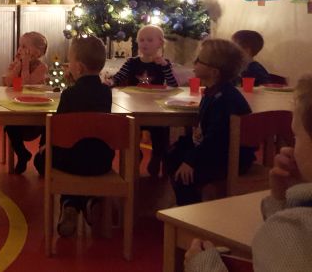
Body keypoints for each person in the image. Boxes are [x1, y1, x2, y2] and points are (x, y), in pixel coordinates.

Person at [184, 75, 312, 272]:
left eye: (296, 137)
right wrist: (281, 201)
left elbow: (292, 239)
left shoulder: (294, 232)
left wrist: (203, 266)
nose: (291, 148)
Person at [37, 36, 114, 237]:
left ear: (78, 67)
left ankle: (70, 202)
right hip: (101, 161)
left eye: (69, 61)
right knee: (85, 155)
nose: (67, 65)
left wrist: (46, 145)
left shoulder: (69, 95)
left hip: (70, 161)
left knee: (42, 159)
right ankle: (89, 199)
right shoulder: (106, 93)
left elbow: (58, 127)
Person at [165, 39, 253, 206]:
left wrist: (191, 161)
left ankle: (190, 209)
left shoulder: (225, 99)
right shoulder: (213, 91)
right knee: (174, 152)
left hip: (229, 156)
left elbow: (215, 139)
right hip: (213, 149)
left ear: (213, 72)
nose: (194, 63)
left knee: (185, 174)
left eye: (199, 60)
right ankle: (187, 202)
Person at [109, 25, 178, 177]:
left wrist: (165, 67)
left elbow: (173, 85)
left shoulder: (164, 64)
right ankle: (135, 153)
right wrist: (110, 82)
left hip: (156, 108)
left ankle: (158, 155)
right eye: (141, 40)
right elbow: (118, 77)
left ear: (160, 43)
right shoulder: (131, 62)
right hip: (135, 107)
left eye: (149, 40)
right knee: (131, 130)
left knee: (161, 132)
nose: (145, 43)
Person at [3, 32, 49, 174]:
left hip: (36, 117)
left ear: (37, 53)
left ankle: (42, 156)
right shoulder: (18, 64)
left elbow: (27, 86)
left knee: (49, 123)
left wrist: (25, 66)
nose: (19, 50)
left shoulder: (42, 67)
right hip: (19, 112)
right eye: (19, 46)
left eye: (24, 47)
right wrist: (18, 66)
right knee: (9, 127)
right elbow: (9, 83)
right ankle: (22, 154)